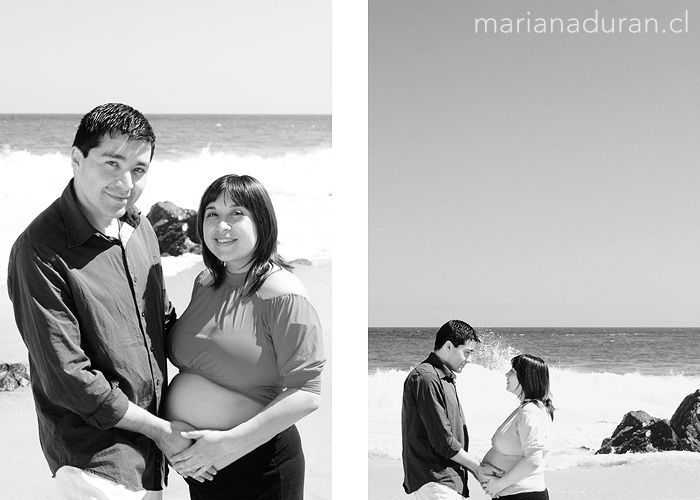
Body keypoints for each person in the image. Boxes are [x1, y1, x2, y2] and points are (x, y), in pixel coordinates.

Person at [7, 103, 202, 500]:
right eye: (112, 164)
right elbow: (69, 378)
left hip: (151, 457)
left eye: (139, 170)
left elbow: (160, 323)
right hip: (94, 461)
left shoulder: (139, 226)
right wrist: (161, 430)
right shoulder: (38, 251)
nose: (126, 183)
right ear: (76, 159)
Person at [162, 174, 326, 499]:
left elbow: (308, 392)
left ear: (261, 221)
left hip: (258, 466)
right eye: (212, 214)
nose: (222, 226)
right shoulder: (206, 281)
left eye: (236, 213)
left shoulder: (282, 293)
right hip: (203, 470)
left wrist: (227, 445)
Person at [401, 319, 502, 500]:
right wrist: (477, 468)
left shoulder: (443, 377)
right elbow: (443, 441)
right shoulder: (426, 378)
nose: (469, 360)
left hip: (445, 481)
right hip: (435, 481)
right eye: (467, 352)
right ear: (448, 346)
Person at [480, 354, 554, 499]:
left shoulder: (529, 414)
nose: (506, 374)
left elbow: (533, 459)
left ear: (526, 378)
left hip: (522, 495)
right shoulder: (525, 409)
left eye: (512, 372)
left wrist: (499, 485)